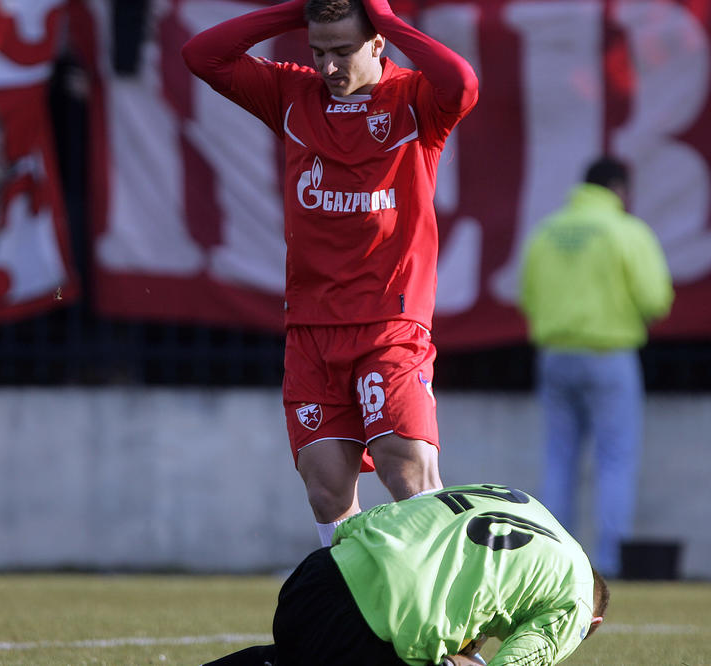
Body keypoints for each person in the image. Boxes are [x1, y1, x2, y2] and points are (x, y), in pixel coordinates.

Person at [182, 0, 479, 545]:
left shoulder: (415, 101)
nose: (329, 66)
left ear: (377, 43)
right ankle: (351, 596)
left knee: (406, 470)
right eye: (318, 51)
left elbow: (462, 82)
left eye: (343, 50)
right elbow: (202, 55)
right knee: (326, 490)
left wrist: (388, 18)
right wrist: (297, 11)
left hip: (389, 324)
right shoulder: (293, 94)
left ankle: (449, 593)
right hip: (312, 329)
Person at [203, 483, 609, 666]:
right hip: (375, 630)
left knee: (293, 658)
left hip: (317, 577)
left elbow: (398, 512)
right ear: (593, 623)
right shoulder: (576, 600)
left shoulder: (525, 503)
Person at [518, 156, 674, 577]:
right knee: (615, 461)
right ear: (619, 190)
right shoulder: (627, 231)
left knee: (558, 461)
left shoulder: (545, 231)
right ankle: (609, 563)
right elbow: (656, 299)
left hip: (554, 355)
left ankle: (554, 566)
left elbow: (526, 295)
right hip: (610, 355)